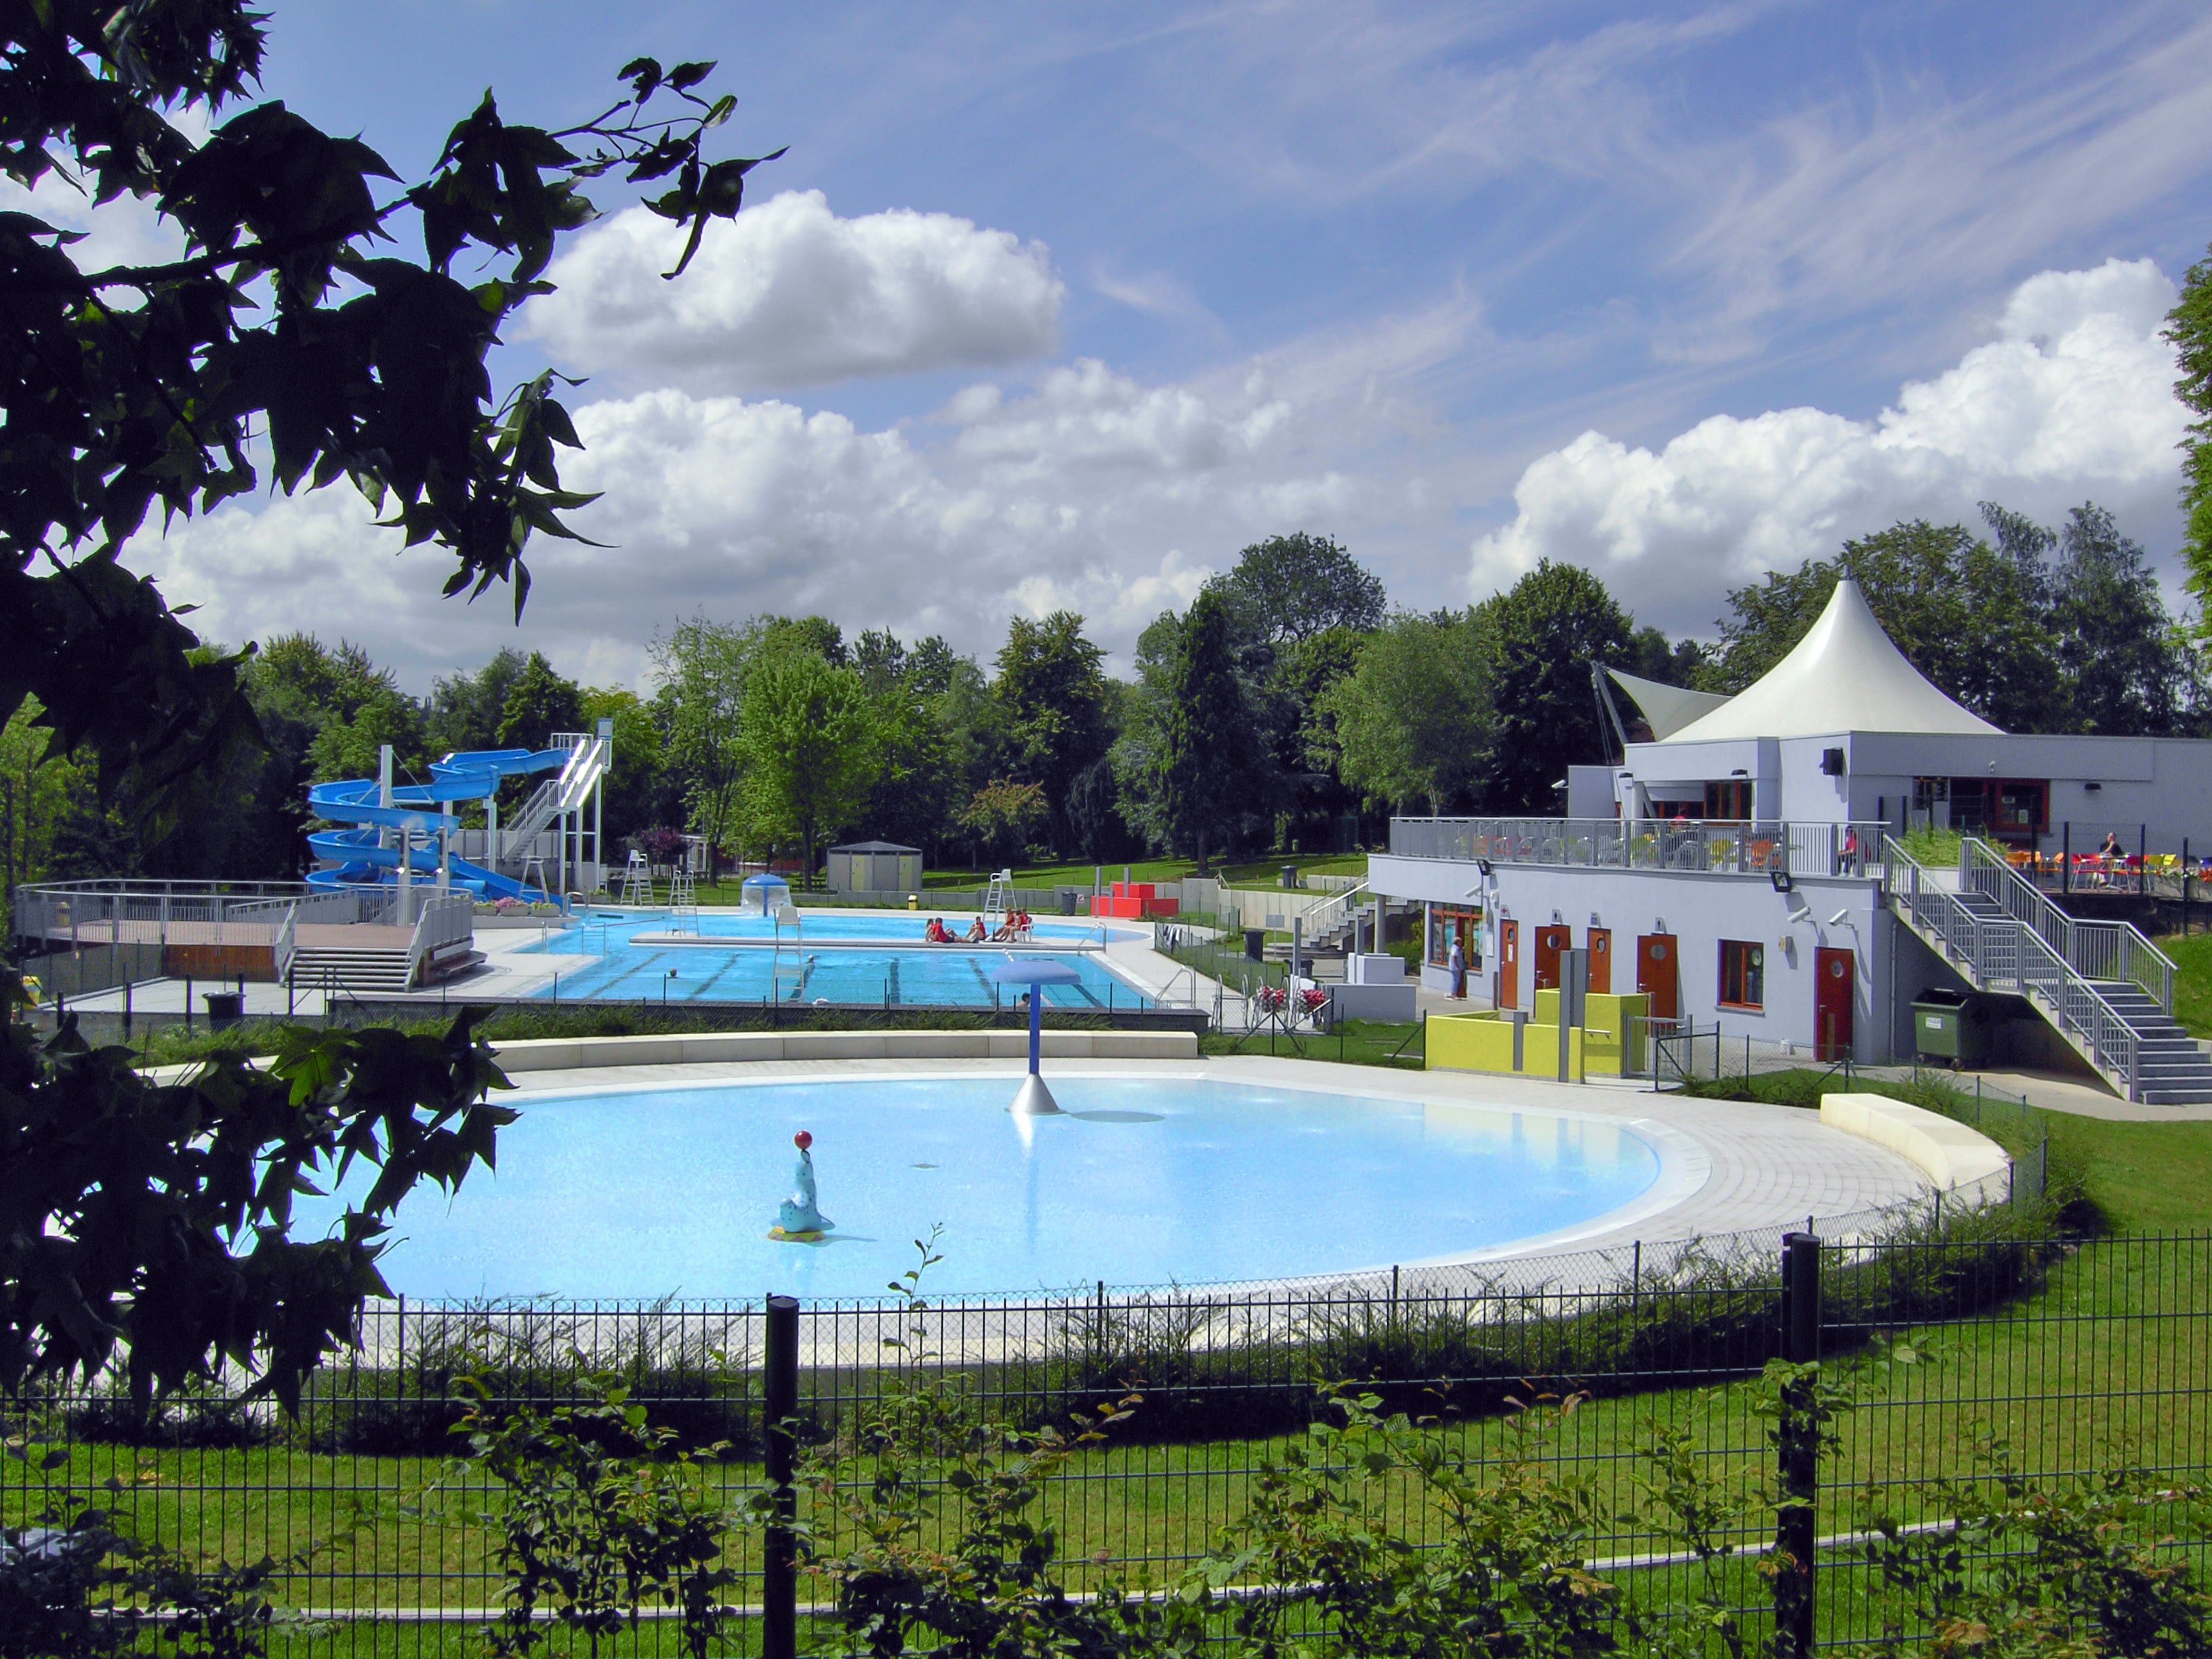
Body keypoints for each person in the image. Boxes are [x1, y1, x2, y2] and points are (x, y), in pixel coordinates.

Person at [1448, 935, 1467, 999]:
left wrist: (1462, 950)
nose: (1461, 943)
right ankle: (1454, 994)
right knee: (1456, 980)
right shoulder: (1456, 948)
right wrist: (1456, 966)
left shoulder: (1456, 948)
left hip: (1455, 967)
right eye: (1460, 942)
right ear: (1457, 942)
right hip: (1455, 968)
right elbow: (1454, 957)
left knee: (1455, 980)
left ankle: (1453, 993)